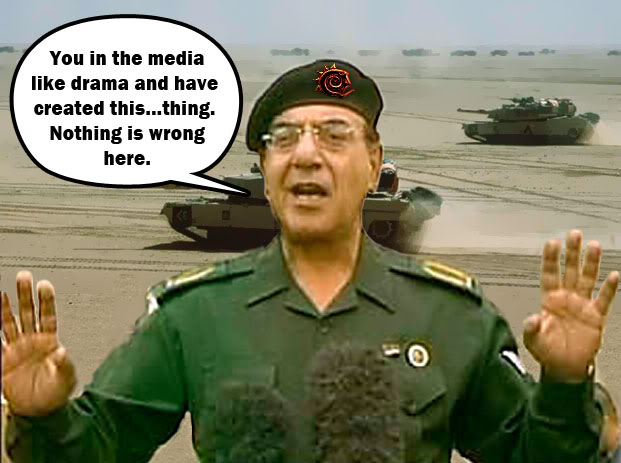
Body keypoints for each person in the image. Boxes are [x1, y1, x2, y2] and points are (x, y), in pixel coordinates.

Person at [1, 59, 619, 462]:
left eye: (335, 135)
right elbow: (95, 449)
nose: (307, 155)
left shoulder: (455, 316)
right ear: (266, 170)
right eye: (284, 138)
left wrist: (565, 384)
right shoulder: (191, 316)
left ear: (374, 164)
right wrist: (42, 415)